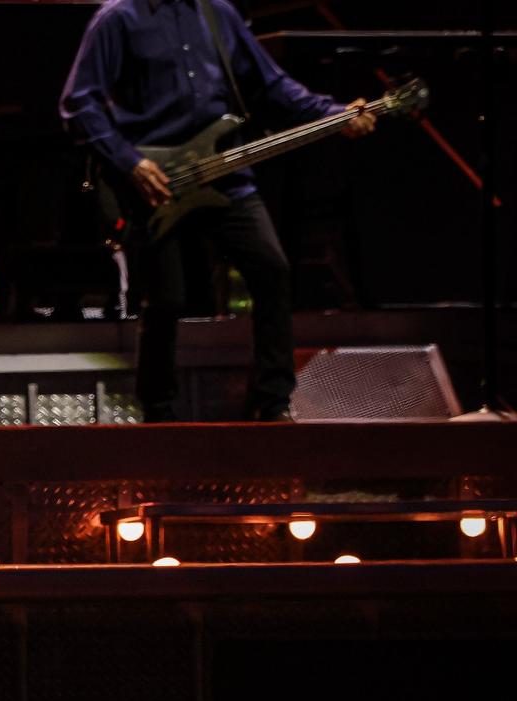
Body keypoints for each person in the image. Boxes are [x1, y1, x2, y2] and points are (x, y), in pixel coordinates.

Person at [60, 0, 376, 423]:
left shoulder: (218, 13)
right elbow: (78, 103)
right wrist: (130, 162)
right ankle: (159, 413)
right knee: (165, 300)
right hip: (157, 181)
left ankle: (273, 403)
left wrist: (335, 114)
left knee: (272, 269)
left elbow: (274, 84)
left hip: (225, 172)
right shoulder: (119, 17)